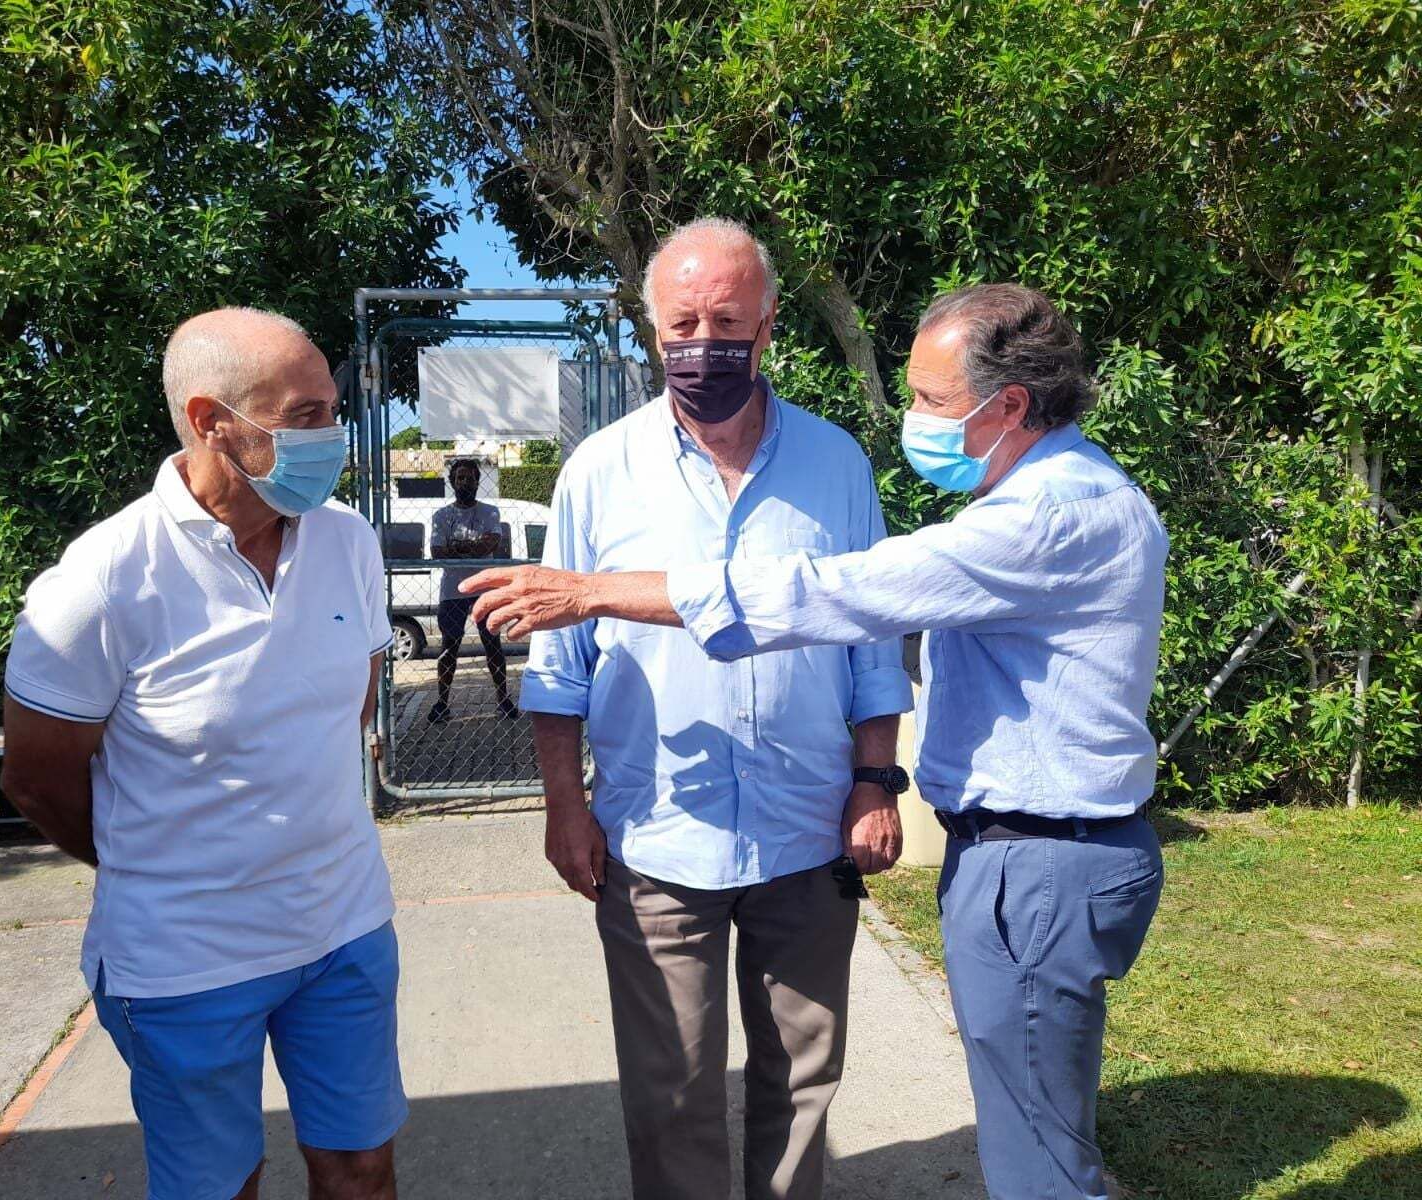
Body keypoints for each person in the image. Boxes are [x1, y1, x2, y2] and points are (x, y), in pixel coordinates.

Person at [465, 283, 1169, 1200]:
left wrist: (593, 590)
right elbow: (568, 673)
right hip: (718, 835)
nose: (913, 418)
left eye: (928, 399)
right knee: (1023, 1122)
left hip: (1029, 864)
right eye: (681, 325)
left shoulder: (1044, 517)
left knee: (1036, 1156)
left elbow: (834, 597)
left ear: (1009, 406)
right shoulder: (1048, 495)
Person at [517, 217, 915, 1200]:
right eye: (682, 322)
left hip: (808, 833)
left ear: (769, 323)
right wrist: (565, 805)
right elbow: (558, 665)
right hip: (657, 844)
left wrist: (874, 781)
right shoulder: (598, 474)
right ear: (652, 332)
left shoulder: (836, 468)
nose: (704, 342)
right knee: (671, 1094)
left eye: (726, 319)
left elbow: (871, 648)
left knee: (803, 1083)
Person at [1, 308, 405, 1200]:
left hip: (343, 933)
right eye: (303, 416)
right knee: (220, 1188)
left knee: (362, 1170)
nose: (330, 438)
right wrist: (161, 863)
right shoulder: (103, 579)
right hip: (185, 961)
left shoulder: (349, 543)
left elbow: (349, 708)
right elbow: (35, 779)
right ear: (210, 420)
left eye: (332, 411)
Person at [427, 458, 517, 723]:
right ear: (452, 482)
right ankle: (442, 702)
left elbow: (489, 545)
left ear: (478, 481)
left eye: (469, 478)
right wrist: (472, 547)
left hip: (484, 586)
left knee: (493, 644)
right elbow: (437, 552)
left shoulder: (490, 512)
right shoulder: (441, 516)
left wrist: (456, 547)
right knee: (449, 647)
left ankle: (503, 699)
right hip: (453, 590)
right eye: (460, 478)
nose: (465, 482)